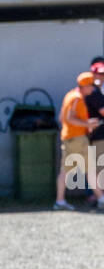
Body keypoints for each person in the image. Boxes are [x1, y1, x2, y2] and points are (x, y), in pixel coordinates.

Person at [53, 71, 97, 211]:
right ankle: (101, 198)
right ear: (84, 86)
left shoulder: (70, 95)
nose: (92, 89)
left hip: (69, 138)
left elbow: (62, 118)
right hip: (77, 139)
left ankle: (60, 201)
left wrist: (85, 125)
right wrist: (88, 125)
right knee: (90, 169)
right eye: (91, 86)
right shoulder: (77, 97)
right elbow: (69, 118)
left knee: (65, 171)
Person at [83, 59, 104, 209]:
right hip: (98, 136)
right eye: (98, 74)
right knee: (98, 169)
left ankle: (97, 197)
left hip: (95, 136)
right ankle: (99, 197)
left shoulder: (93, 91)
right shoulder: (94, 93)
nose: (101, 76)